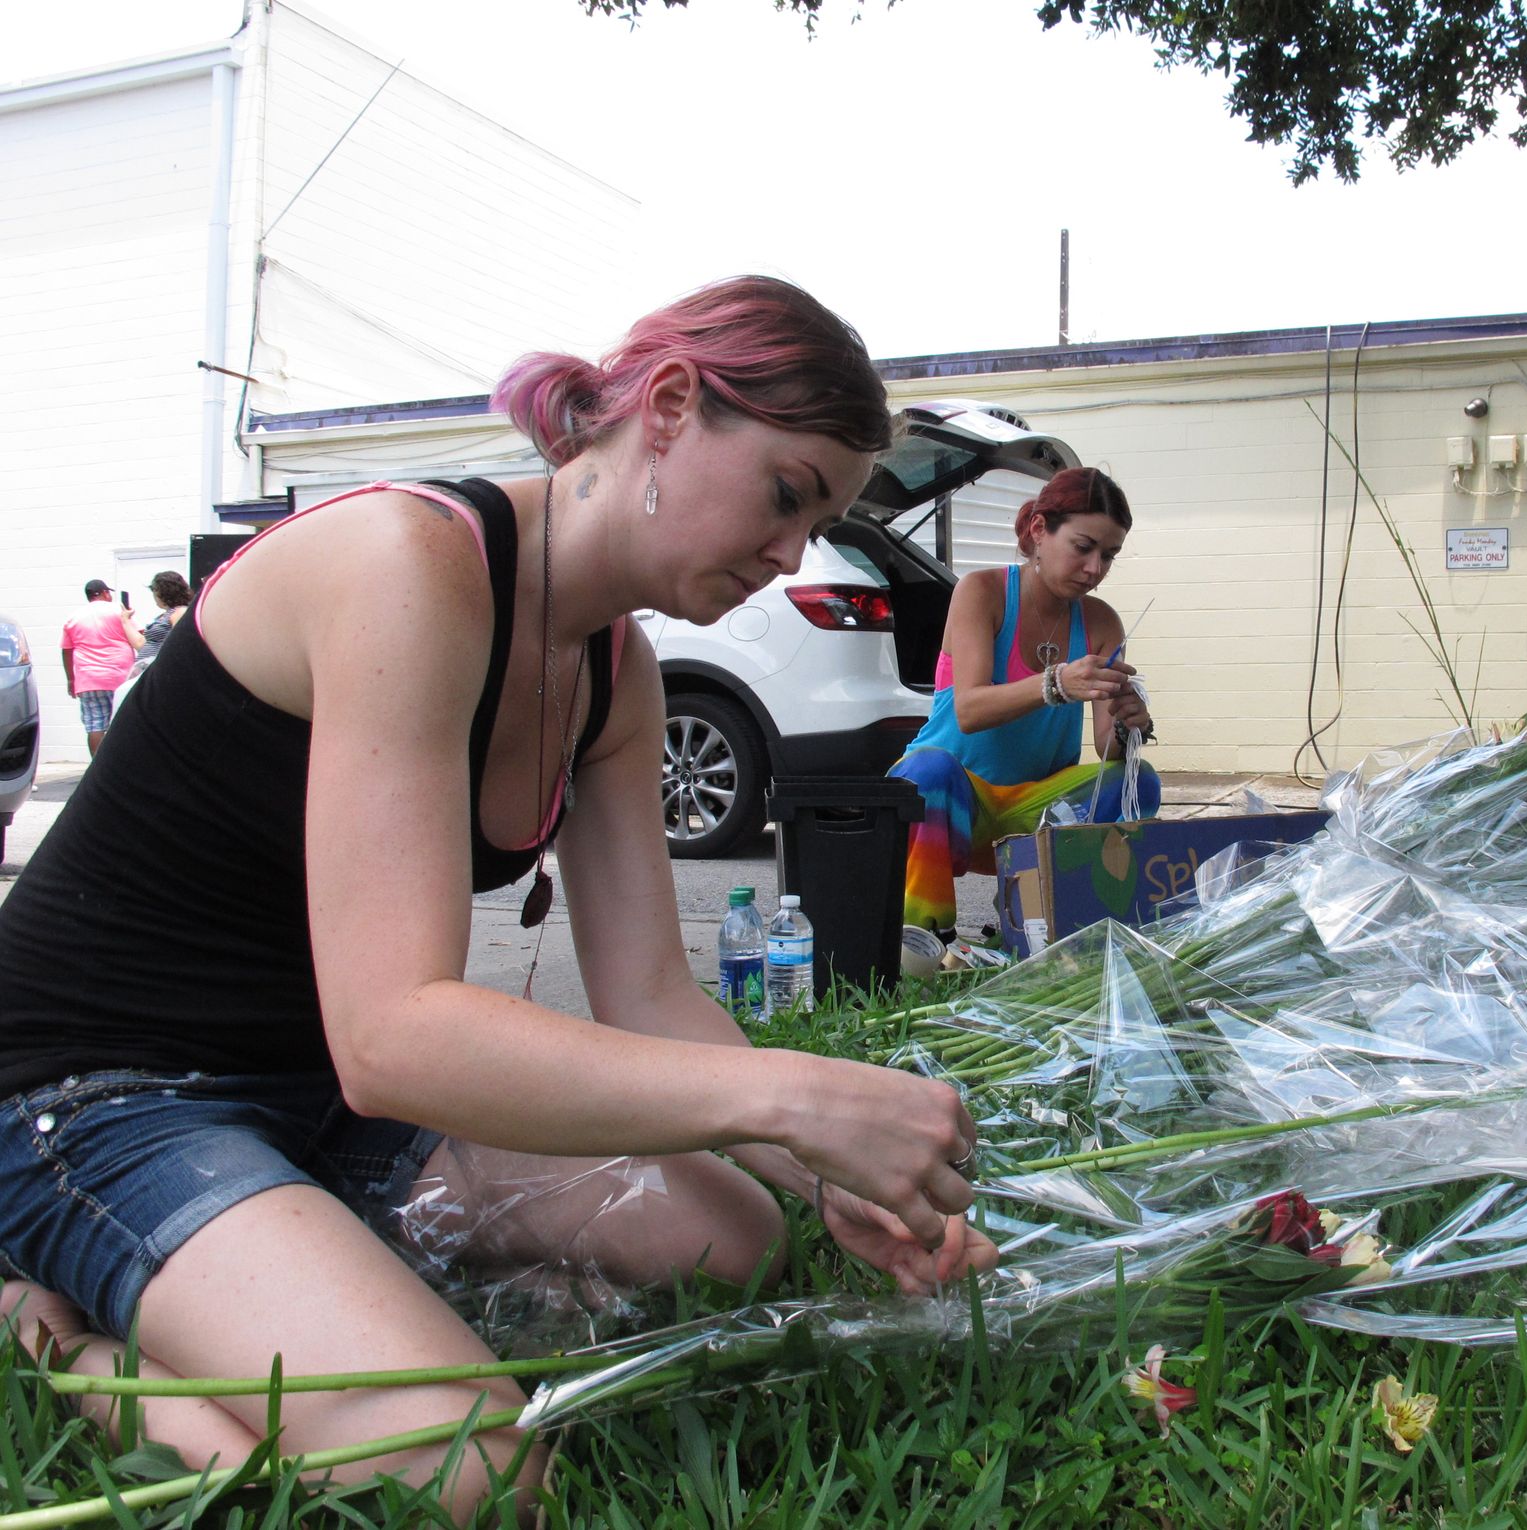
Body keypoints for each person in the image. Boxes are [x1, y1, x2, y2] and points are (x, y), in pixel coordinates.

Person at [0, 276, 995, 1519]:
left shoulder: (613, 672)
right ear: (673, 405)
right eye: (788, 496)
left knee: (734, 1244)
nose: (792, 554)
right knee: (473, 1469)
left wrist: (823, 1169)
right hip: (100, 1097)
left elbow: (649, 996)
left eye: (820, 522)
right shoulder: (408, 562)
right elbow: (395, 1035)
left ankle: (291, 1263)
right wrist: (800, 1093)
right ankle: (60, 1340)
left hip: (313, 1104)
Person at [888, 467, 1160, 940]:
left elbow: (1106, 750)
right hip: (953, 803)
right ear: (1039, 530)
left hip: (1036, 812)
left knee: (1138, 780)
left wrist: (1126, 725)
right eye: (1083, 547)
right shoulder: (982, 592)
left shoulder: (1100, 622)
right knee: (925, 772)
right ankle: (926, 942)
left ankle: (1059, 919)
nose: (1095, 568)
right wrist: (1056, 683)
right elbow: (969, 711)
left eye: (1109, 555)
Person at [59, 579, 142, 757]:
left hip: (88, 679)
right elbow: (139, 637)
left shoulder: (73, 617)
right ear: (105, 593)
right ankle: (123, 764)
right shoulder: (119, 612)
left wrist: (71, 679)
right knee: (122, 721)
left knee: (95, 725)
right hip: (120, 676)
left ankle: (97, 768)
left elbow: (66, 650)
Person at [130, 570, 192, 676]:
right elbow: (141, 643)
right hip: (147, 669)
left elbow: (180, 641)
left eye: (154, 591)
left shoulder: (179, 612)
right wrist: (125, 620)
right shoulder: (165, 615)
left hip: (160, 671)